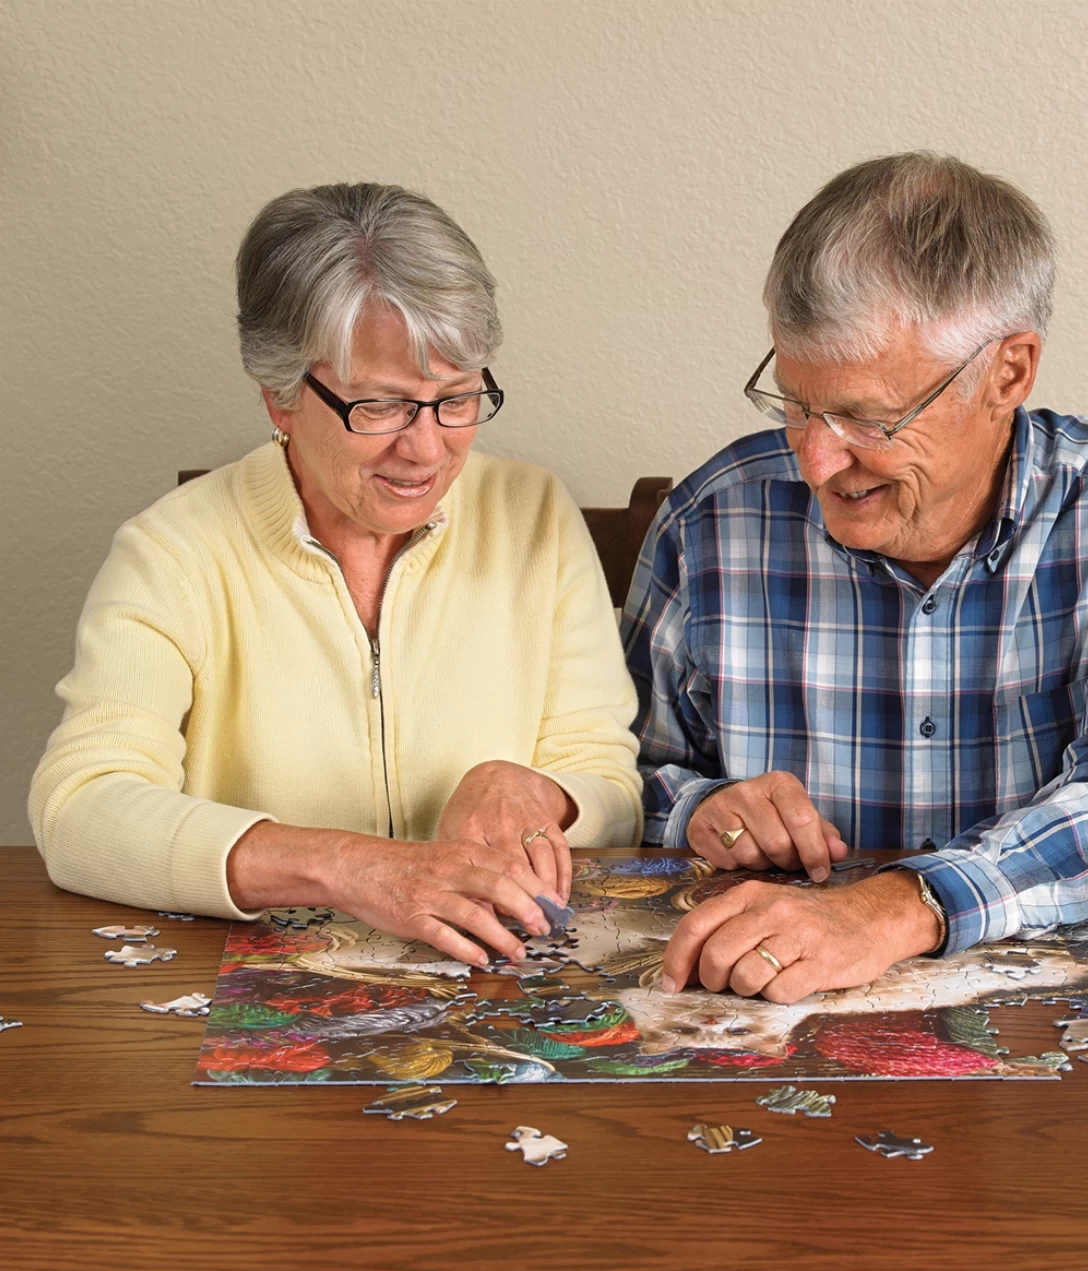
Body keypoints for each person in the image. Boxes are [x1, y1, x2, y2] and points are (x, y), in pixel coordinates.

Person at [624, 152, 1088, 1003]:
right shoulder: (712, 517)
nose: (816, 460)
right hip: (759, 1008)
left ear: (1009, 373)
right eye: (798, 403)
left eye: (868, 418)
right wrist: (698, 808)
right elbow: (621, 767)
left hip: (1052, 1017)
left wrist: (897, 908)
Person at [30, 182, 642, 967]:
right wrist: (351, 867)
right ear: (281, 399)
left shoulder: (533, 515)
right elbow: (79, 809)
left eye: (455, 399)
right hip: (260, 994)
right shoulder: (173, 551)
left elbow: (612, 784)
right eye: (380, 407)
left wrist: (534, 790)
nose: (426, 449)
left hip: (498, 984)